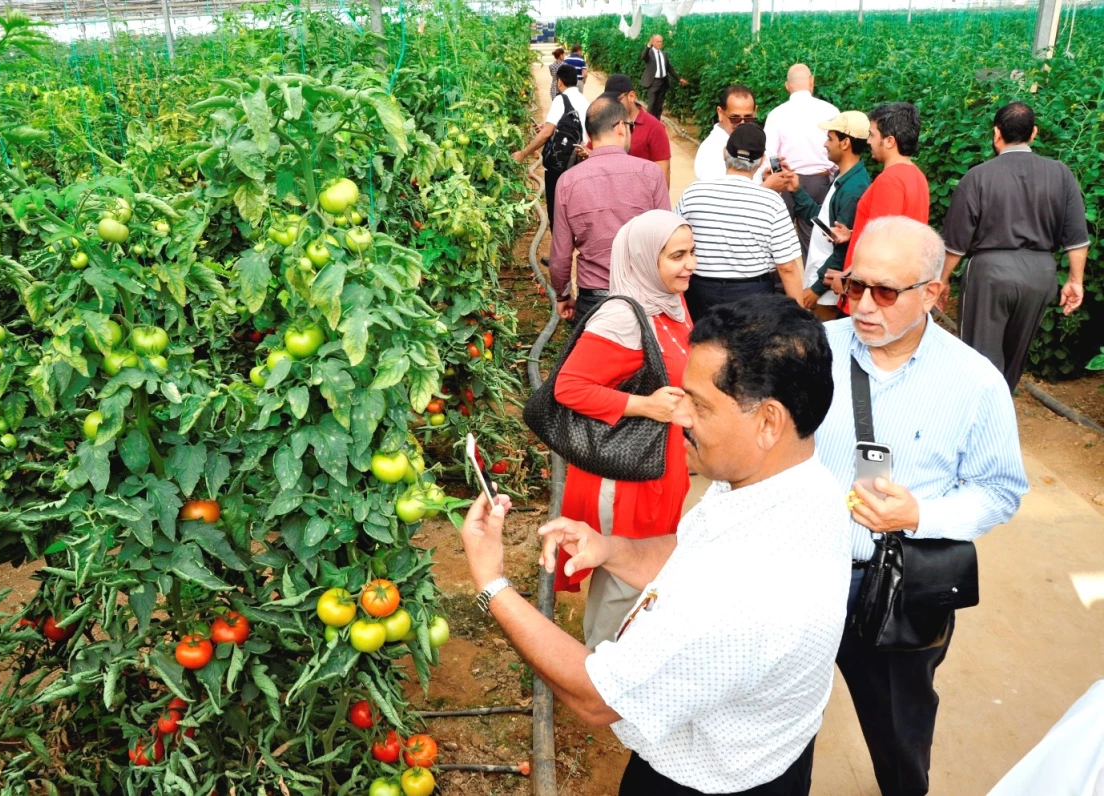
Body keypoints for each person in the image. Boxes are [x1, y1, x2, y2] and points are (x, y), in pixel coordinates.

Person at [461, 294, 851, 796]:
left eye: (701, 405)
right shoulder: (803, 487)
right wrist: (613, 549)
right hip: (765, 754)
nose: (681, 417)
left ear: (768, 421)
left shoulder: (742, 595)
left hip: (705, 782)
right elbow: (693, 553)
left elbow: (596, 696)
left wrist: (492, 583)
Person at [814, 216, 1028, 796]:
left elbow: (1001, 488)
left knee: (898, 728)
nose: (861, 305)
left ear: (932, 293)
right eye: (854, 286)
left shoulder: (975, 383)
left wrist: (920, 517)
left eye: (884, 292)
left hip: (896, 590)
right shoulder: (814, 354)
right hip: (802, 575)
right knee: (779, 726)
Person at [551, 210, 695, 650]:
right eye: (677, 256)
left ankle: (600, 657)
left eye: (692, 253)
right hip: (626, 472)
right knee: (626, 575)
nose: (690, 264)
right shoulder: (623, 318)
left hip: (659, 461)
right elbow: (569, 387)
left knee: (628, 570)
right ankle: (603, 673)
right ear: (643, 259)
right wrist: (646, 406)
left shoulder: (670, 302)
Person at [940, 101, 1089, 391]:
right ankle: (1002, 408)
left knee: (979, 356)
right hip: (1040, 274)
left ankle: (979, 418)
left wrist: (942, 280)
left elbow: (956, 242)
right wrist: (1075, 281)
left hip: (990, 273)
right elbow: (1077, 237)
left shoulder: (978, 176)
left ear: (997, 133)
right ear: (1034, 133)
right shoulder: (1061, 174)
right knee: (1015, 354)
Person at [550, 97, 670, 323]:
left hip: (594, 301)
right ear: (621, 127)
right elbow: (666, 242)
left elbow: (560, 255)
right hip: (643, 298)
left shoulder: (568, 181)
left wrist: (562, 294)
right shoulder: (651, 174)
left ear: (588, 136)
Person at [674, 124, 803, 318]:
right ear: (761, 161)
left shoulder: (694, 193)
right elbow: (787, 267)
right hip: (752, 294)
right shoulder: (772, 202)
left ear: (725, 153)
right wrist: (800, 316)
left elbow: (674, 237)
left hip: (700, 290)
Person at [830, 102, 929, 313]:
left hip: (872, 292)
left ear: (890, 141)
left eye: (873, 135)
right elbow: (899, 230)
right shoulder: (916, 175)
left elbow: (880, 244)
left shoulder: (890, 180)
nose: (868, 141)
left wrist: (847, 278)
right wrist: (853, 233)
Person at [783, 111, 872, 320]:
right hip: (822, 283)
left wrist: (816, 288)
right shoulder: (844, 178)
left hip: (828, 292)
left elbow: (843, 249)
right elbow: (821, 222)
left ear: (845, 143)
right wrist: (797, 190)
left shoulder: (853, 189)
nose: (825, 144)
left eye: (830, 138)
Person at [761, 64, 840, 256]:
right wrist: (830, 178)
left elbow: (770, 154)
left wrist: (779, 175)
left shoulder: (776, 114)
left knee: (779, 239)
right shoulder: (830, 111)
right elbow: (838, 153)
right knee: (814, 239)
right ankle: (812, 283)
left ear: (787, 86)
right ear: (812, 81)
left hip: (786, 181)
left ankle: (779, 286)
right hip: (818, 183)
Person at [512, 64, 589, 230]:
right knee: (575, 210)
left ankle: (559, 255)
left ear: (559, 82)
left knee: (557, 211)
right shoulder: (584, 100)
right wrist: (548, 127)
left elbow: (546, 133)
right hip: (580, 161)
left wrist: (524, 153)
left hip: (560, 166)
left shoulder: (561, 100)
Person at [602, 73, 672, 187]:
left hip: (641, 200)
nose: (612, 105)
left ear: (631, 96)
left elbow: (663, 171)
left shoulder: (654, 128)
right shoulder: (606, 123)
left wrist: (660, 203)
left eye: (617, 100)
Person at [693, 85, 760, 183]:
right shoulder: (712, 149)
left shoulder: (750, 141)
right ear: (720, 113)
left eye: (748, 118)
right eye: (735, 118)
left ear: (755, 112)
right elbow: (722, 195)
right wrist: (768, 187)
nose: (742, 123)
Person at [639, 34, 688, 120]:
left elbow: (669, 68)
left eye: (661, 41)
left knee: (659, 105)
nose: (659, 43)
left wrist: (679, 79)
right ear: (653, 42)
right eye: (657, 41)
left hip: (663, 82)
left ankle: (657, 123)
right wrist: (648, 45)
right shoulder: (649, 53)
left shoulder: (663, 54)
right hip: (653, 82)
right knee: (651, 104)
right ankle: (648, 123)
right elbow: (643, 57)